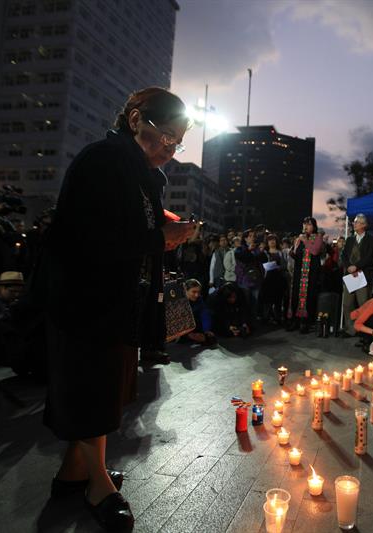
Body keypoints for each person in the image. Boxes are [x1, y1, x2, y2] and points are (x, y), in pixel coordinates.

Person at [41, 87, 196, 531]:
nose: (169, 150)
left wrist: (167, 225)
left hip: (118, 300)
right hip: (85, 299)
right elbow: (94, 236)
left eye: (177, 143)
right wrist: (160, 238)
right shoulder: (103, 161)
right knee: (92, 388)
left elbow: (135, 221)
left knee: (107, 387)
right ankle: (99, 485)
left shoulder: (139, 175)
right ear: (134, 121)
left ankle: (74, 474)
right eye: (165, 138)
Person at [340, 214, 373, 337]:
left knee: (363, 304)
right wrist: (349, 267)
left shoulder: (371, 240)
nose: (354, 224)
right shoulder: (350, 240)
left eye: (356, 222)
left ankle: (363, 331)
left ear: (364, 225)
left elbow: (370, 258)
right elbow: (344, 255)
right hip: (350, 276)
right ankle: (350, 329)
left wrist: (357, 266)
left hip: (363, 276)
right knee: (347, 304)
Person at [289, 216, 324, 333]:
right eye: (304, 224)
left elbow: (315, 251)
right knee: (295, 296)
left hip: (311, 275)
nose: (306, 226)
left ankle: (306, 323)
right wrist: (293, 251)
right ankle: (295, 320)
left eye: (308, 224)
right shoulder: (300, 238)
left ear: (314, 227)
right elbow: (296, 255)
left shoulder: (318, 237)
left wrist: (304, 240)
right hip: (299, 273)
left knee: (309, 297)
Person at [259, 233, 285, 324]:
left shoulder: (280, 252)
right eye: (270, 240)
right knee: (267, 300)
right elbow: (260, 265)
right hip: (267, 279)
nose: (272, 241)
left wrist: (279, 267)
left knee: (278, 299)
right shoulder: (264, 253)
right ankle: (266, 317)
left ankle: (278, 317)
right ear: (267, 242)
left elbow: (283, 265)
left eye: (274, 240)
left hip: (278, 279)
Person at [183, 279, 216, 346]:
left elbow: (204, 313)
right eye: (194, 292)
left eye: (198, 292)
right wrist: (189, 334)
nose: (196, 295)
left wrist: (206, 330)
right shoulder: (178, 301)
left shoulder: (199, 299)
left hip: (193, 325)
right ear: (185, 290)